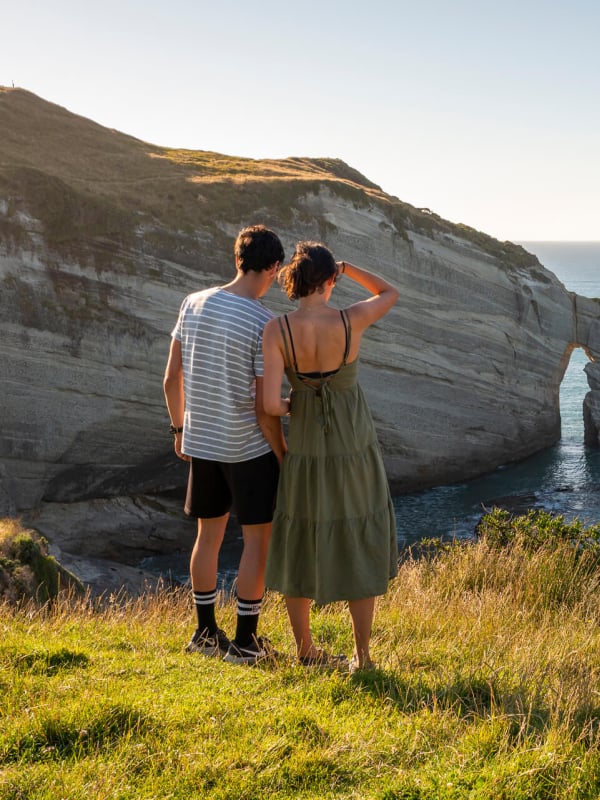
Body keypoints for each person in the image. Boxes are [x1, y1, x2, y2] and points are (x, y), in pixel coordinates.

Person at [262, 242, 399, 672]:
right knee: (358, 534)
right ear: (329, 280)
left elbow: (269, 405)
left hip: (304, 450)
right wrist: (349, 267)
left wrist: (297, 403)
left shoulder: (276, 330)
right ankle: (362, 656)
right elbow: (389, 293)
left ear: (294, 282)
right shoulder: (350, 319)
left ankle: (304, 649)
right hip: (353, 447)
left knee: (301, 537)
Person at [163, 224, 286, 665]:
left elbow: (170, 378)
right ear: (272, 267)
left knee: (208, 537)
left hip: (203, 443)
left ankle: (204, 633)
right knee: (257, 542)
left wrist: (180, 431)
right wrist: (282, 452)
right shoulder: (263, 322)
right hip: (247, 448)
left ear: (237, 258)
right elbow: (262, 405)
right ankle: (247, 643)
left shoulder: (192, 303)